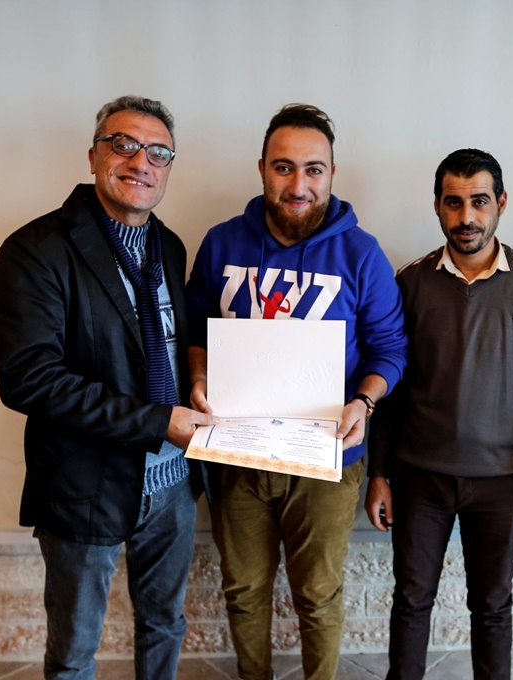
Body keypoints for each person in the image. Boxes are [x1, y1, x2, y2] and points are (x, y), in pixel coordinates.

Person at [0, 95, 215, 679]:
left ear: (169, 168)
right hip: (85, 482)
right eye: (124, 145)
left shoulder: (170, 247)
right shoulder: (35, 250)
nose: (141, 161)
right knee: (74, 653)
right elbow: (28, 379)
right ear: (94, 155)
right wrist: (157, 422)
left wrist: (196, 382)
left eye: (159, 152)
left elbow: (171, 345)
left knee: (165, 624)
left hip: (173, 483)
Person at [185, 103, 407, 680]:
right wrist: (199, 377)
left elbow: (390, 349)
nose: (298, 184)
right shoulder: (221, 243)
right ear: (262, 168)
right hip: (236, 453)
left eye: (314, 169)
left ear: (332, 173)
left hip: (327, 456)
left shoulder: (362, 254)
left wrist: (365, 401)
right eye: (284, 167)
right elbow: (195, 329)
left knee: (318, 594)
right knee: (243, 589)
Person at [365, 148, 513, 680]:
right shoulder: (409, 282)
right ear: (437, 205)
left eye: (479, 201)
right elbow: (391, 385)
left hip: (503, 482)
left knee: (493, 606)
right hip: (419, 477)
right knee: (411, 599)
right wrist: (379, 474)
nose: (466, 217)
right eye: (453, 203)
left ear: (501, 202)